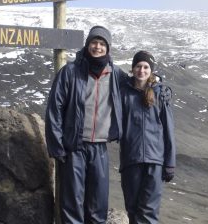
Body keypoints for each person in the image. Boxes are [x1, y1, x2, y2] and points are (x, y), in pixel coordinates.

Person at [45, 25, 127, 224]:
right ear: (88, 44)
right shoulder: (70, 72)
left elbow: (138, 86)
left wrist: (155, 82)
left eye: (102, 44)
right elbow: (54, 109)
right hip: (74, 147)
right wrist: (57, 146)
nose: (97, 47)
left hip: (100, 147)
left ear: (108, 48)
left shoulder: (116, 75)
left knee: (98, 203)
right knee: (72, 202)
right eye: (94, 42)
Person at [119, 51, 176, 224]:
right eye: (138, 66)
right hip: (131, 161)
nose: (141, 70)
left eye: (145, 67)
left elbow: (169, 130)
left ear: (151, 71)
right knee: (133, 210)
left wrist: (170, 163)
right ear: (132, 68)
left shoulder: (160, 95)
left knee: (149, 213)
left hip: (155, 162)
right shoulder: (124, 93)